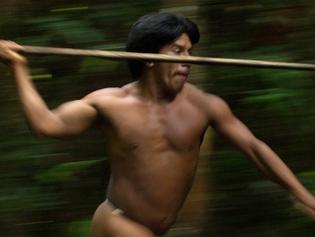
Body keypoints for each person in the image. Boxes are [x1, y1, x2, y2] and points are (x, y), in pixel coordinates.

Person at [0, 12, 314, 237]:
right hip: (118, 222)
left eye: (190, 52)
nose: (188, 61)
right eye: (177, 51)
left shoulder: (204, 105)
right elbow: (47, 124)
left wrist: (303, 195)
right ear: (149, 58)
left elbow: (255, 148)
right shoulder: (110, 104)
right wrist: (18, 67)